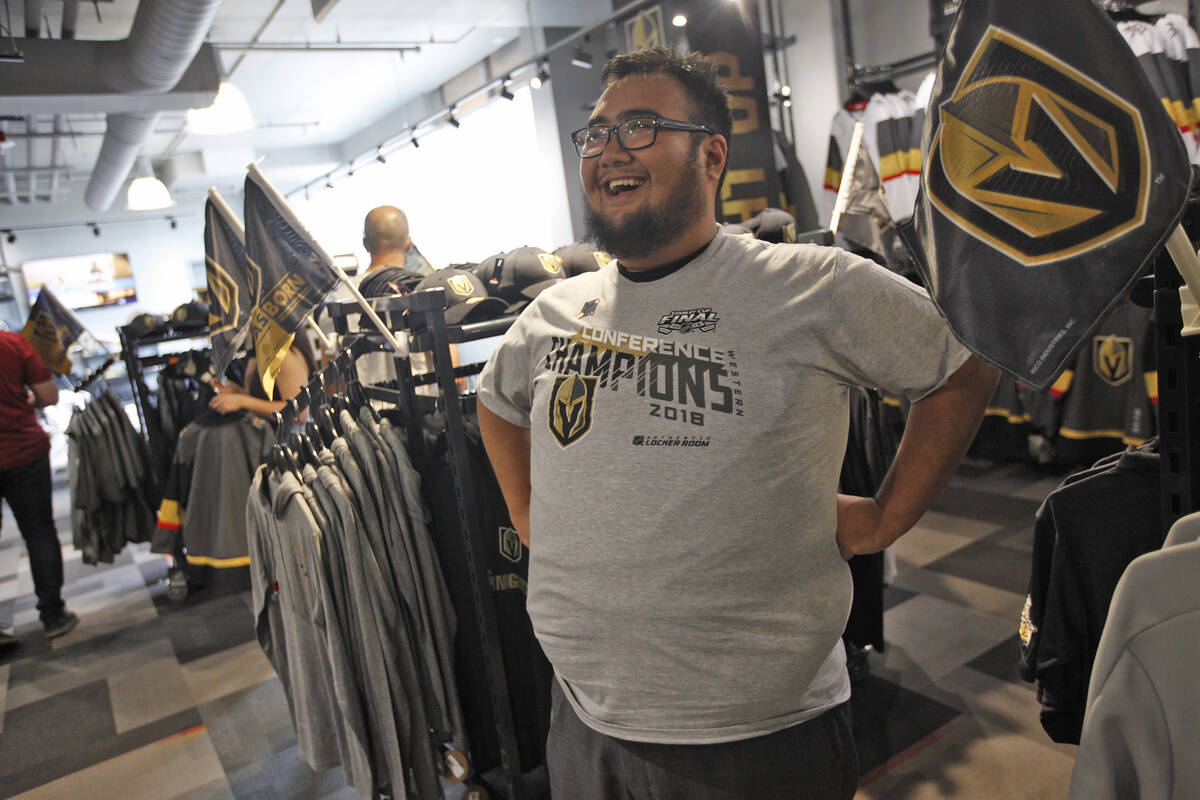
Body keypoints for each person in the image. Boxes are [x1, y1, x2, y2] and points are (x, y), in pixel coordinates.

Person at [476, 48, 999, 799]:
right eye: (594, 134)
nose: (608, 151)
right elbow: (495, 403)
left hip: (755, 738)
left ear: (712, 154)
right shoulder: (556, 310)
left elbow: (961, 369)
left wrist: (886, 517)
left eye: (641, 126)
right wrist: (530, 517)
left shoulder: (811, 286)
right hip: (583, 718)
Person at [0, 331, 78, 652]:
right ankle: (53, 615)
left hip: (21, 451)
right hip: (22, 451)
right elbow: (49, 395)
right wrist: (25, 398)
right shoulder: (11, 343)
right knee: (39, 532)